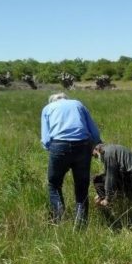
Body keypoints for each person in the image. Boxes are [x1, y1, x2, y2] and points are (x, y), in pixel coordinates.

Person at [41, 92, 101, 228]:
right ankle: (80, 226)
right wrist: (96, 143)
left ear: (52, 101)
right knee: (82, 188)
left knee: (54, 185)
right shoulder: (78, 104)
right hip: (83, 146)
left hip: (59, 146)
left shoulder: (47, 108)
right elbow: (94, 132)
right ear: (66, 98)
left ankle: (59, 219)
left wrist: (53, 150)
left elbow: (45, 140)